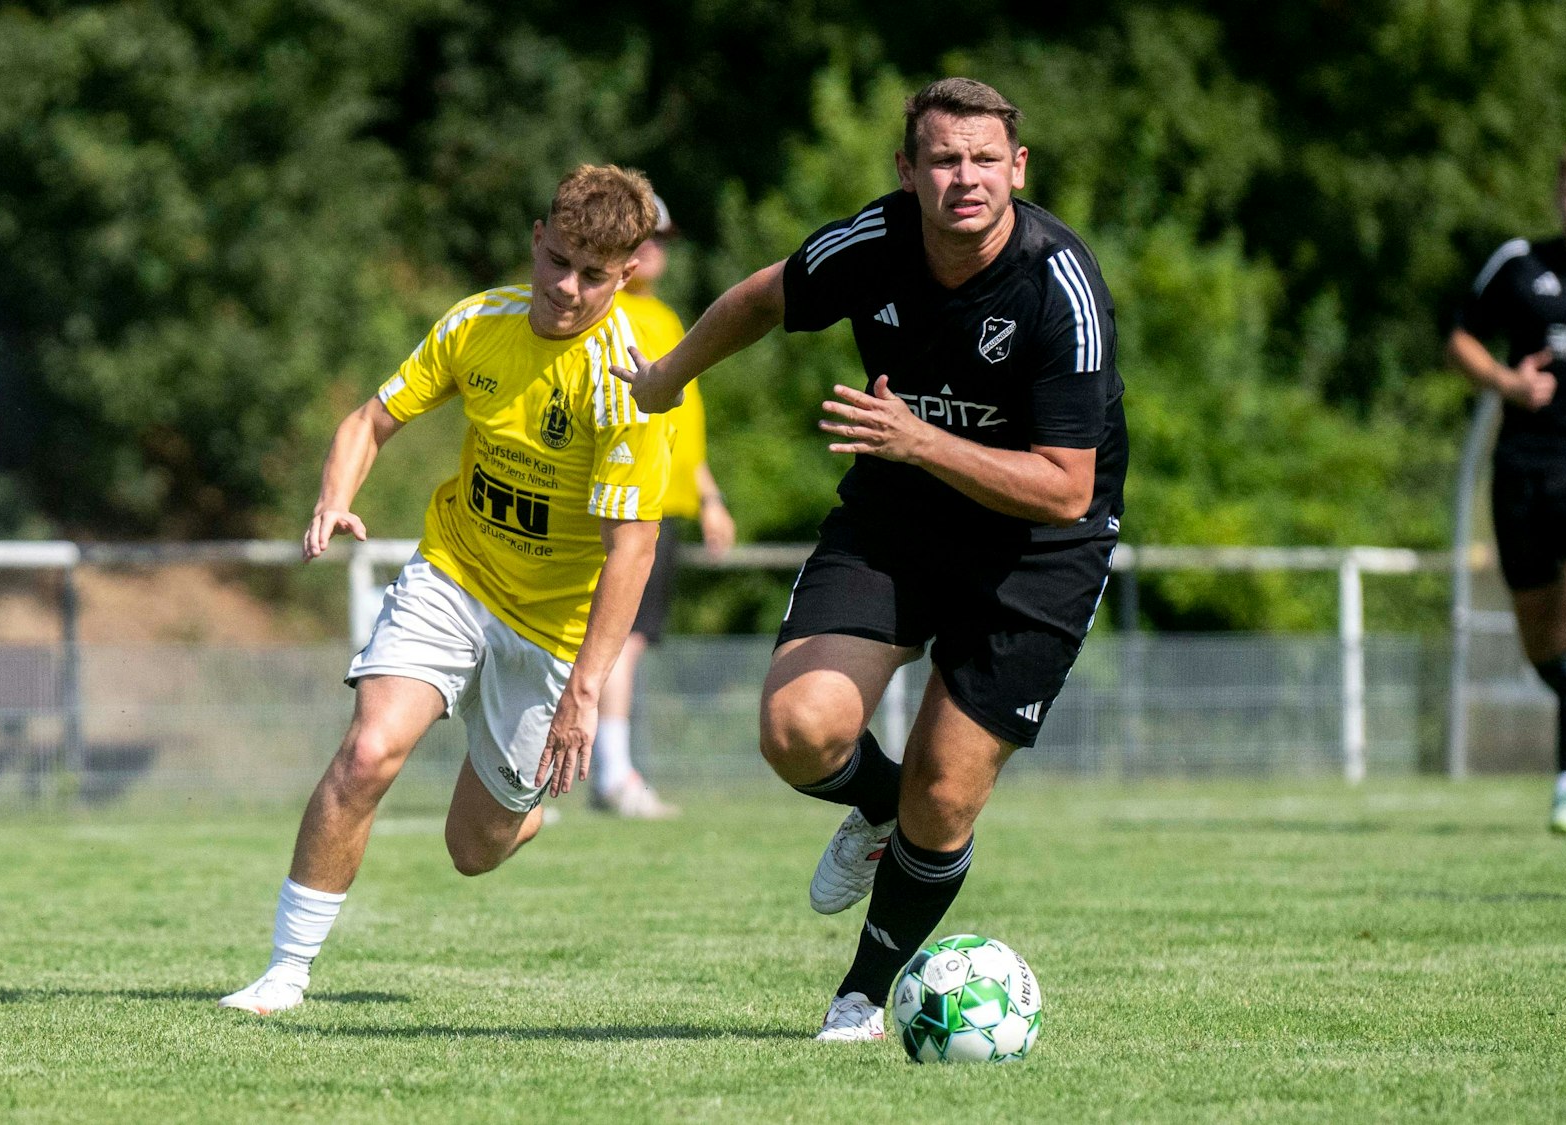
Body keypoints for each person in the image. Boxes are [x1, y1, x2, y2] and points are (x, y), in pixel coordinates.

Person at [619, 78, 1126, 1040]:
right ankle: (877, 805)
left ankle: (861, 996)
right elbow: (763, 297)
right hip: (898, 519)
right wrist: (666, 377)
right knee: (796, 726)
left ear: (1017, 169)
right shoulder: (877, 241)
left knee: (947, 790)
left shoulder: (1059, 284)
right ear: (908, 170)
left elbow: (1066, 486)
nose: (963, 178)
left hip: (1040, 550)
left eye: (984, 159)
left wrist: (919, 439)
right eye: (942, 159)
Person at [219, 165, 673, 1016]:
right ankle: (285, 970)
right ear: (537, 239)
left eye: (594, 275)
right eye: (560, 261)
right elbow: (370, 420)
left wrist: (585, 691)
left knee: (473, 846)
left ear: (629, 272)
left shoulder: (631, 387)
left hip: (551, 629)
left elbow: (631, 552)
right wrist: (334, 497)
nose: (568, 289)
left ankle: (520, 806)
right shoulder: (478, 323)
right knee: (367, 753)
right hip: (455, 574)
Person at [1447, 142, 1566, 834]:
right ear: (1560, 201)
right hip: (1524, 471)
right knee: (1542, 640)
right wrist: (1506, 383)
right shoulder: (1519, 266)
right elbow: (1461, 339)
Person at [593, 194, 737, 819]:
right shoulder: (600, 311)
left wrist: (708, 496)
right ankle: (612, 775)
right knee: (615, 639)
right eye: (642, 237)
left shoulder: (668, 318)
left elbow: (682, 426)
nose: (654, 248)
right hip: (623, 499)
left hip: (666, 504)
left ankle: (595, 769)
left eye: (663, 239)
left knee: (628, 640)